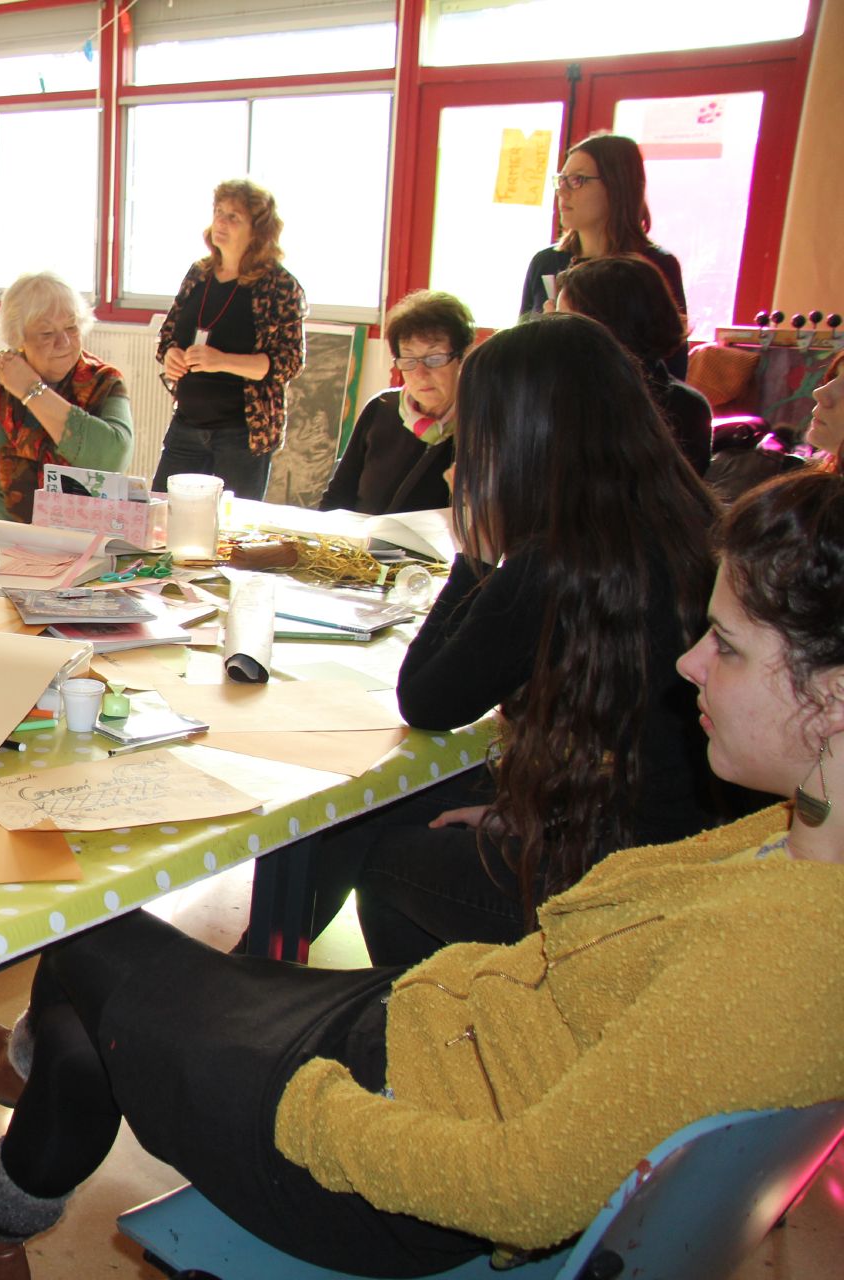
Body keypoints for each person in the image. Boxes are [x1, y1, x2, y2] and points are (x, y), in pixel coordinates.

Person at [0, 467, 844, 1280]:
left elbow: (525, 1186)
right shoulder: (792, 853)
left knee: (83, 942)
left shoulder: (782, 952)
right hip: (421, 1043)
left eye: (727, 646)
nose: (687, 663)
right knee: (103, 974)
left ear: (833, 697)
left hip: (366, 1152)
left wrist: (313, 1109)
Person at [307, 314, 724, 966]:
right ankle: (285, 974)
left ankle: (381, 1021)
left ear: (525, 437)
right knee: (400, 808)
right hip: (668, 843)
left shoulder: (557, 558)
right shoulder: (684, 515)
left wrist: (474, 552)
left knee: (373, 845)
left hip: (618, 880)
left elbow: (428, 700)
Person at [0, 271, 132, 523]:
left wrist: (32, 390)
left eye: (71, 327)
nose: (64, 342)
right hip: (2, 541)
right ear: (18, 338)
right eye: (46, 333)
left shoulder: (103, 382)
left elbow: (112, 459)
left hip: (84, 542)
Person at [151, 178, 306, 501]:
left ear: (258, 230)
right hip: (188, 423)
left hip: (242, 433)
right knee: (162, 516)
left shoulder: (279, 285)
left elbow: (288, 362)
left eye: (233, 217)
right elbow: (167, 337)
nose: (220, 222)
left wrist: (220, 361)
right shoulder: (199, 274)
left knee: (231, 533)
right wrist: (171, 356)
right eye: (218, 212)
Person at [519, 133, 688, 378]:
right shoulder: (546, 261)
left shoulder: (655, 266)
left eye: (577, 180)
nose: (562, 192)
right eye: (561, 180)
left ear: (616, 185)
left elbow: (671, 369)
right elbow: (518, 354)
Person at [318, 289, 474, 515]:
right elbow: (338, 496)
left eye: (434, 358)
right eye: (409, 360)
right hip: (361, 546)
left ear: (463, 356)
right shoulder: (382, 407)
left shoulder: (478, 424)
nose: (420, 373)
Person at [555, 254, 712, 475]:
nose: (553, 331)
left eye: (565, 320)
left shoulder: (682, 407)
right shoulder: (557, 390)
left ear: (610, 326)